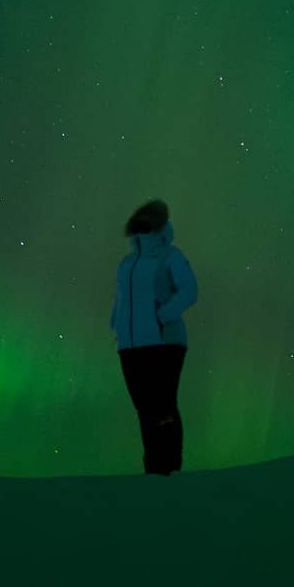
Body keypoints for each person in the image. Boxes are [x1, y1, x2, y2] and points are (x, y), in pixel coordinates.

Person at [110, 198, 198, 475]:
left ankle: (170, 468)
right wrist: (117, 325)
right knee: (144, 408)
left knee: (163, 405)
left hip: (164, 342)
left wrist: (163, 316)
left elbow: (189, 290)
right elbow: (120, 299)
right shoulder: (126, 263)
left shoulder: (170, 256)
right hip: (131, 345)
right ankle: (153, 469)